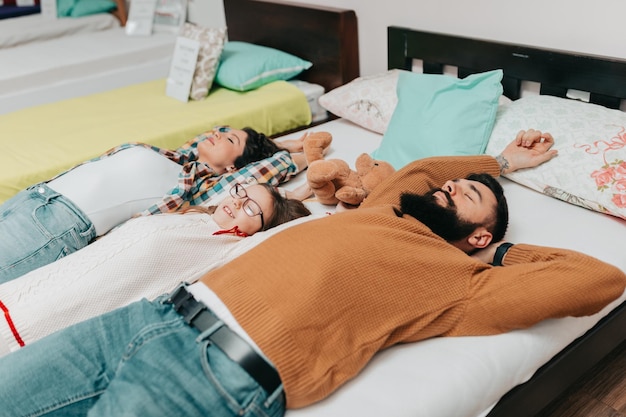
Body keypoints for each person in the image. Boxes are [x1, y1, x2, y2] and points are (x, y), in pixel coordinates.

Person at [0, 130, 624, 417]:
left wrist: (494, 257)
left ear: (479, 235)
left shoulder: (462, 285)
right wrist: (500, 163)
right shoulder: (387, 210)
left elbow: (600, 280)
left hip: (217, 372)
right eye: (456, 186)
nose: (450, 187)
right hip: (149, 317)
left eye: (466, 198)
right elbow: (426, 168)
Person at [0, 182, 312, 355]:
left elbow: (288, 234)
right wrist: (287, 193)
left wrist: (301, 208)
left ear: (259, 229)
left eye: (251, 208)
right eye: (241, 192)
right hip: (33, 289)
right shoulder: (197, 218)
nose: (237, 202)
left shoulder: (226, 248)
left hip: (49, 317)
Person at [0, 126, 315, 283]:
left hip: (56, 225)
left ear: (235, 169)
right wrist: (241, 136)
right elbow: (217, 134)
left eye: (229, 141)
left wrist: (282, 147)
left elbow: (277, 167)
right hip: (35, 196)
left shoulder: (198, 186)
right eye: (220, 132)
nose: (218, 136)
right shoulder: (175, 155)